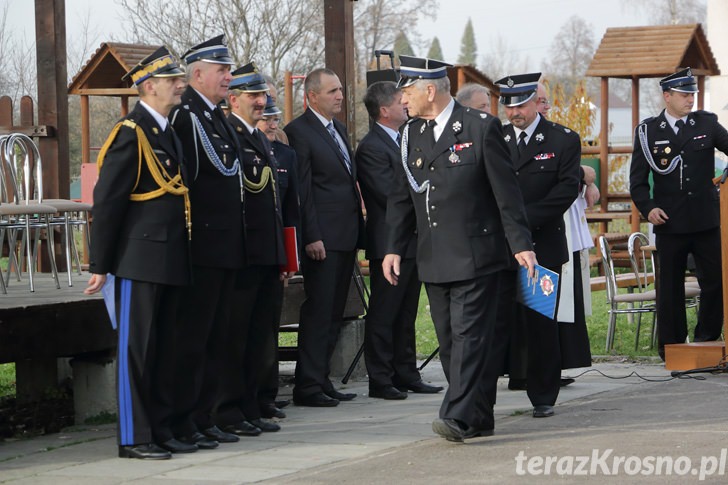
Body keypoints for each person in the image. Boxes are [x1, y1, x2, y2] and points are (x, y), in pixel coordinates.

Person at [383, 55, 536, 442]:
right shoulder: (410, 135)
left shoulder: (480, 128)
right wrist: (392, 248)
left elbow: (507, 193)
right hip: (434, 256)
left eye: (408, 90)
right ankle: (478, 416)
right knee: (451, 342)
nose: (403, 98)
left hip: (476, 254)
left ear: (429, 90)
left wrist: (520, 244)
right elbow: (402, 197)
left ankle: (455, 415)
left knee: (469, 339)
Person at [85, 46, 193, 459]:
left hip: (168, 256)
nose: (179, 85)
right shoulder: (130, 132)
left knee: (164, 349)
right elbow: (108, 201)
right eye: (172, 80)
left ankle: (160, 428)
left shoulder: (165, 129)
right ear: (149, 86)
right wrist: (101, 264)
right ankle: (134, 436)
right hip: (138, 258)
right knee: (138, 351)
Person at [169, 35, 252, 441]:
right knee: (194, 339)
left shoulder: (215, 115)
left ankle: (206, 415)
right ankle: (188, 420)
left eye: (228, 69)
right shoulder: (186, 117)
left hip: (225, 245)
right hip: (202, 245)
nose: (228, 77)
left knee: (219, 336)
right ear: (197, 74)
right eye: (221, 70)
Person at [214, 63, 295, 433]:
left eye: (263, 95)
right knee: (236, 336)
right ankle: (231, 410)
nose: (262, 102)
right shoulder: (228, 134)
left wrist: (281, 256)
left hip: (265, 253)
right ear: (233, 99)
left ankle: (251, 405)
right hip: (243, 254)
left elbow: (273, 204)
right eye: (253, 96)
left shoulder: (260, 138)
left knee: (260, 334)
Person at [495, 72, 580, 418]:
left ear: (536, 101)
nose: (514, 112)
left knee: (540, 321)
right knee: (495, 320)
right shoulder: (494, 138)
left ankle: (543, 394)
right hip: (499, 247)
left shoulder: (562, 140)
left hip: (541, 246)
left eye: (521, 105)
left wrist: (519, 221)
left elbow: (565, 190)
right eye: (508, 106)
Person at [629, 67, 728, 359]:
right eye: (685, 95)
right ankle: (672, 347)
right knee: (669, 288)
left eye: (693, 94)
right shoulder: (647, 131)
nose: (691, 100)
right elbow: (636, 181)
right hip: (670, 221)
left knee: (714, 282)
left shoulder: (706, 124)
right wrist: (648, 208)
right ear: (667, 96)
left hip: (705, 219)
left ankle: (706, 340)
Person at [356, 81, 443, 400]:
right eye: (398, 100)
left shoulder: (406, 139)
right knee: (384, 312)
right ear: (384, 110)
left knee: (407, 313)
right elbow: (387, 193)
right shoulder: (372, 148)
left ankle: (406, 372)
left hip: (412, 242)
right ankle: (380, 378)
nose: (405, 104)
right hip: (389, 242)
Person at [284, 68, 365, 407]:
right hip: (323, 239)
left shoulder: (338, 130)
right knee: (319, 311)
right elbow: (303, 191)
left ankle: (322, 379)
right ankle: (307, 385)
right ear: (312, 96)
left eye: (341, 90)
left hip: (345, 235)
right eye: (332, 91)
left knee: (335, 312)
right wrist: (312, 236)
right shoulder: (299, 132)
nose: (340, 96)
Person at [535, 82, 593, 386]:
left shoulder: (561, 137)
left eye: (546, 101)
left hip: (558, 229)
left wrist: (587, 178)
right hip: (531, 231)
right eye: (541, 101)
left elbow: (573, 175)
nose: (546, 107)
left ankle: (555, 366)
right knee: (540, 305)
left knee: (559, 303)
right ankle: (534, 371)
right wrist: (585, 175)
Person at [256, 93, 300, 417]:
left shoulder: (285, 154)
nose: (272, 124)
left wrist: (289, 260)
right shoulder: (249, 149)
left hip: (275, 252)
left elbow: (290, 211)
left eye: (275, 119)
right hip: (254, 253)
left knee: (271, 328)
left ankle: (268, 395)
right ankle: (254, 396)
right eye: (266, 119)